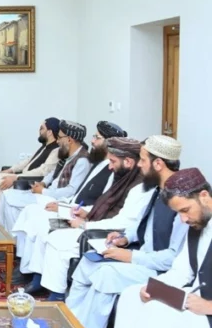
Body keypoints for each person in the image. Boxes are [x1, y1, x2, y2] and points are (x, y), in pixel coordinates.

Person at [62, 135, 188, 328]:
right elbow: (144, 225)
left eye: (143, 160)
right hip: (143, 257)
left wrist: (130, 256)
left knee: (106, 274)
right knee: (87, 263)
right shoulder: (157, 189)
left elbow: (172, 258)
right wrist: (125, 237)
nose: (139, 165)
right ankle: (68, 324)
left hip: (160, 270)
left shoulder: (182, 202)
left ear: (158, 164)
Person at [111, 168, 212, 328]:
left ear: (204, 196)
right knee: (130, 296)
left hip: (208, 315)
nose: (183, 219)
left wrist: (209, 306)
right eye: (179, 213)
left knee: (153, 314)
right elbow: (181, 272)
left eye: (185, 210)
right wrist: (152, 287)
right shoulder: (198, 224)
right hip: (193, 301)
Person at [11, 121, 126, 288]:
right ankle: (24, 264)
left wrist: (65, 208)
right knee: (32, 212)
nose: (92, 141)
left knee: (42, 224)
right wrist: (62, 204)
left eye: (97, 137)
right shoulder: (98, 163)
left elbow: (100, 204)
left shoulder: (111, 170)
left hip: (81, 215)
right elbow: (77, 193)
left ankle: (35, 277)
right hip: (72, 207)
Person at [39, 137, 153, 299]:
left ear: (128, 162)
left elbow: (124, 222)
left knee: (57, 240)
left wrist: (84, 225)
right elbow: (104, 204)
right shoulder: (122, 177)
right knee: (49, 228)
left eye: (113, 161)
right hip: (97, 223)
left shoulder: (140, 187)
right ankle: (42, 282)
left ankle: (56, 295)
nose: (110, 167)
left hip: (109, 233)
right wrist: (85, 212)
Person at [0, 120, 91, 234]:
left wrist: (43, 191)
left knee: (10, 199)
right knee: (8, 197)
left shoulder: (82, 161)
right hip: (48, 193)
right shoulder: (67, 154)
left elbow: (71, 190)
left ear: (69, 140)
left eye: (59, 137)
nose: (57, 141)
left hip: (56, 200)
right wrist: (43, 183)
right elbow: (53, 173)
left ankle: (9, 237)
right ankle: (4, 236)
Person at [0, 118, 60, 212]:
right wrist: (11, 170)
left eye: (42, 128)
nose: (39, 131)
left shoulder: (56, 150)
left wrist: (16, 177)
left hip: (28, 181)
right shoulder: (45, 146)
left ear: (50, 132)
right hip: (21, 176)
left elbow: (42, 172)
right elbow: (28, 161)